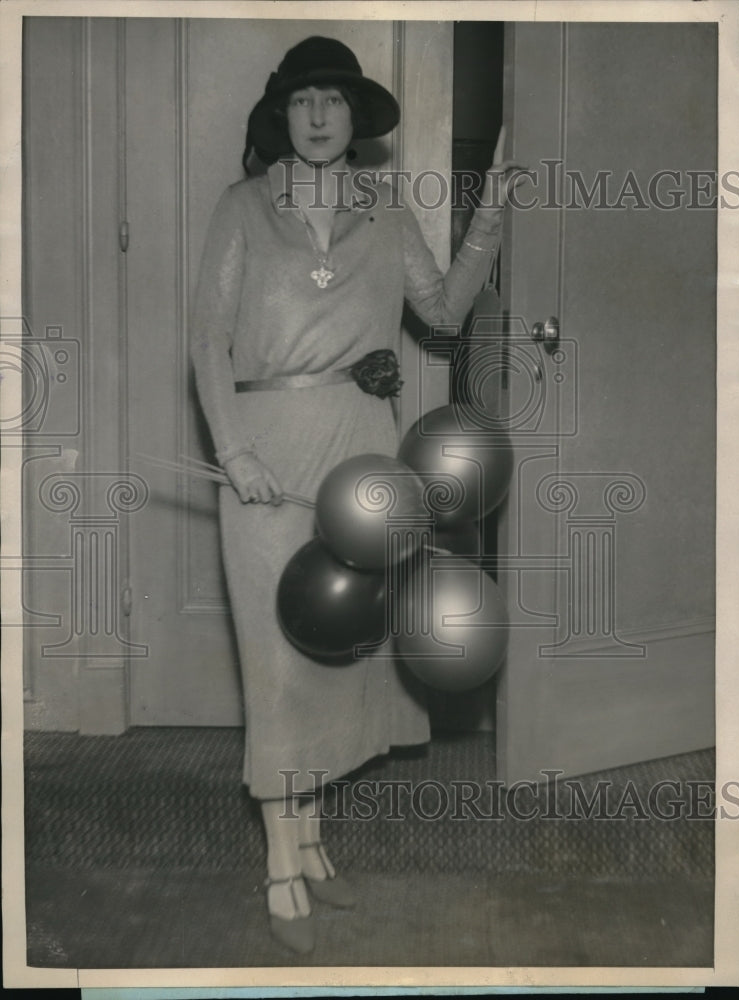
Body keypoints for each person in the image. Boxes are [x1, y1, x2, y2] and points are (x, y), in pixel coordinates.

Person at [191, 35, 524, 954]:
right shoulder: (241, 209)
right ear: (281, 116)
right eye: (302, 100)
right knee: (278, 662)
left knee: (342, 657)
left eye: (333, 98)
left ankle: (314, 843)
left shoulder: (381, 212)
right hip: (268, 456)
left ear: (353, 115)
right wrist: (234, 450)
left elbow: (446, 313)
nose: (319, 115)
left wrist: (491, 202)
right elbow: (207, 343)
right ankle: (278, 863)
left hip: (363, 454)